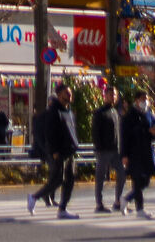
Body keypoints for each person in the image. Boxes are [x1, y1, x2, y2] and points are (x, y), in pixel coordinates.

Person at [30, 79, 81, 221]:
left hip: (69, 151)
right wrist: (54, 151)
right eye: (67, 93)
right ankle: (34, 197)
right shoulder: (54, 112)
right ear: (59, 95)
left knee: (69, 180)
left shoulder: (69, 111)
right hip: (59, 151)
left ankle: (62, 209)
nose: (70, 96)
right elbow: (50, 133)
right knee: (57, 180)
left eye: (70, 93)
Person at [122, 94, 155, 220]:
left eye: (146, 99)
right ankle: (140, 209)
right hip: (134, 152)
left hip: (147, 151)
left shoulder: (149, 114)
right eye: (142, 99)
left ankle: (126, 198)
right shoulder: (129, 116)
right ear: (136, 101)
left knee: (145, 181)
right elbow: (125, 136)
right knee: (137, 180)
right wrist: (124, 155)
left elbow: (154, 131)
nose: (145, 102)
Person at [92, 93, 124, 214]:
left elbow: (118, 132)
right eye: (111, 95)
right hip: (103, 150)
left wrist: (120, 148)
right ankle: (99, 203)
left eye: (115, 95)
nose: (113, 97)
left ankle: (118, 202)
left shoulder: (115, 112)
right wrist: (99, 147)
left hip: (115, 150)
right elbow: (95, 132)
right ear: (105, 96)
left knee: (122, 173)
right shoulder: (100, 112)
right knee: (100, 177)